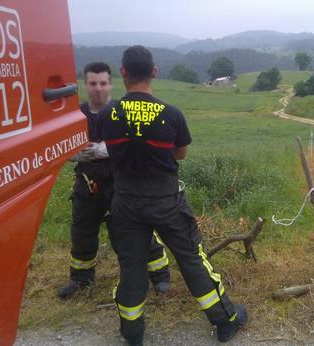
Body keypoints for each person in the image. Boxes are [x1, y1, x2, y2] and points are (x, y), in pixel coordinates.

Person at [98, 46, 247, 346]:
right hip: (166, 200)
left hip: (125, 201)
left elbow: (108, 149)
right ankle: (225, 321)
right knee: (192, 259)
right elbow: (180, 153)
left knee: (131, 267)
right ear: (154, 72)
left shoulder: (107, 113)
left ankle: (132, 333)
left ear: (122, 72)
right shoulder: (171, 115)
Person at [58, 62, 170, 299]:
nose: (98, 88)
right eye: (92, 83)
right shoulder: (75, 116)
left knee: (135, 232)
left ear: (111, 84)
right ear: (85, 85)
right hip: (86, 183)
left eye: (102, 83)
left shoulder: (123, 112)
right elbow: (61, 149)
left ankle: (160, 276)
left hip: (120, 183)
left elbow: (137, 145)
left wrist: (102, 150)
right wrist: (76, 154)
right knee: (82, 232)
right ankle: (81, 280)